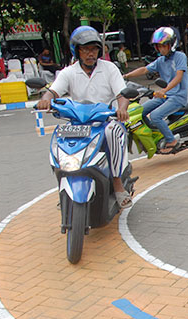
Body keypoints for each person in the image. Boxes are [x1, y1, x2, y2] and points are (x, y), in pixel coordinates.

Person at [36, 26, 133, 209]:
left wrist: (121, 109)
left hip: (106, 120)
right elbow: (52, 91)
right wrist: (45, 100)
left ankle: (118, 184)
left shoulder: (109, 68)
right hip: (78, 123)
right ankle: (63, 185)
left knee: (114, 133)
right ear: (77, 51)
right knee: (59, 139)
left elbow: (122, 94)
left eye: (94, 49)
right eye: (85, 49)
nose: (91, 53)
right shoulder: (69, 72)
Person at [123, 27, 188, 153]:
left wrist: (164, 90)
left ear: (172, 44)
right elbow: (144, 70)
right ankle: (155, 133)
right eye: (159, 46)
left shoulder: (180, 56)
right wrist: (125, 76)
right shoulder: (161, 60)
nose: (162, 49)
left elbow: (179, 77)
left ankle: (172, 140)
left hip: (178, 96)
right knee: (140, 111)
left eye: (164, 46)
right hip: (165, 96)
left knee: (155, 115)